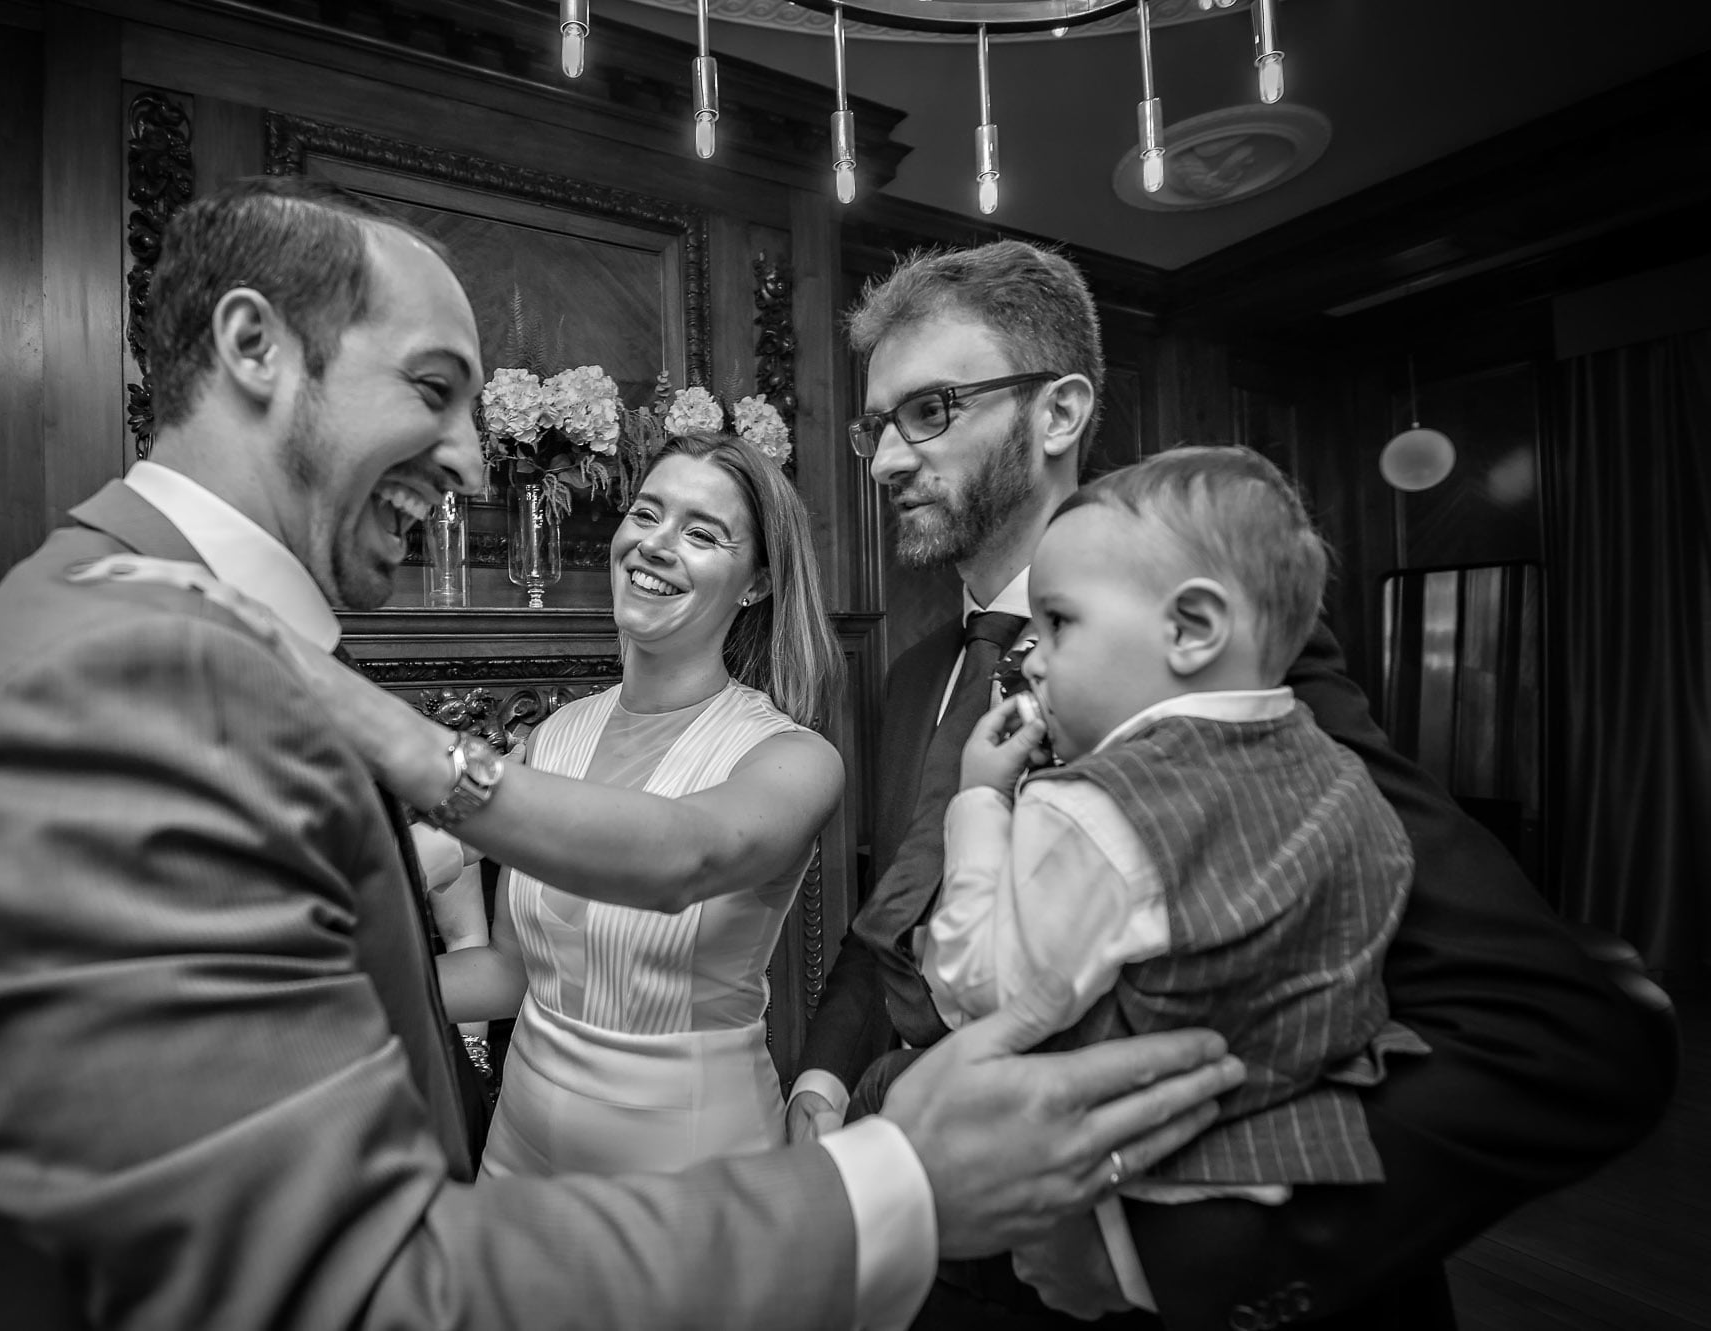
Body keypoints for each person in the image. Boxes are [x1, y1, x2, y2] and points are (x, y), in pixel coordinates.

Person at [0, 177, 1245, 1330]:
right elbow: (334, 1274)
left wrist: (410, 751)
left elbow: (698, 862)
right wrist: (900, 1178)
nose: (479, 459)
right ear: (253, 349)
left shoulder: (795, 738)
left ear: (752, 582)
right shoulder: (129, 673)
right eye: (433, 387)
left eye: (704, 528)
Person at [784, 240, 1676, 1329]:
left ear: (1057, 412)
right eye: (874, 424)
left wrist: (1174, 1251)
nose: (880, 458)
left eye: (929, 409)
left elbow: (1557, 1032)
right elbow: (893, 922)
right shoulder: (921, 669)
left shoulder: (1228, 665)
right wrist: (821, 1083)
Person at [913, 446, 1424, 1315]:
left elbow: (983, 992)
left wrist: (979, 806)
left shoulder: (1094, 806)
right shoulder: (1348, 784)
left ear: (1191, 628)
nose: (1033, 658)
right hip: (1296, 1184)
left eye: (1060, 623)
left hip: (1119, 1193)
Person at [422, 430, 846, 1178]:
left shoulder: (792, 759)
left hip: (687, 1167)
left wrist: (436, 805)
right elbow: (513, 974)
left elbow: (685, 852)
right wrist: (358, 987)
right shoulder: (554, 737)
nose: (654, 543)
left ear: (755, 583)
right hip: (517, 1157)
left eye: (702, 532)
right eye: (646, 514)